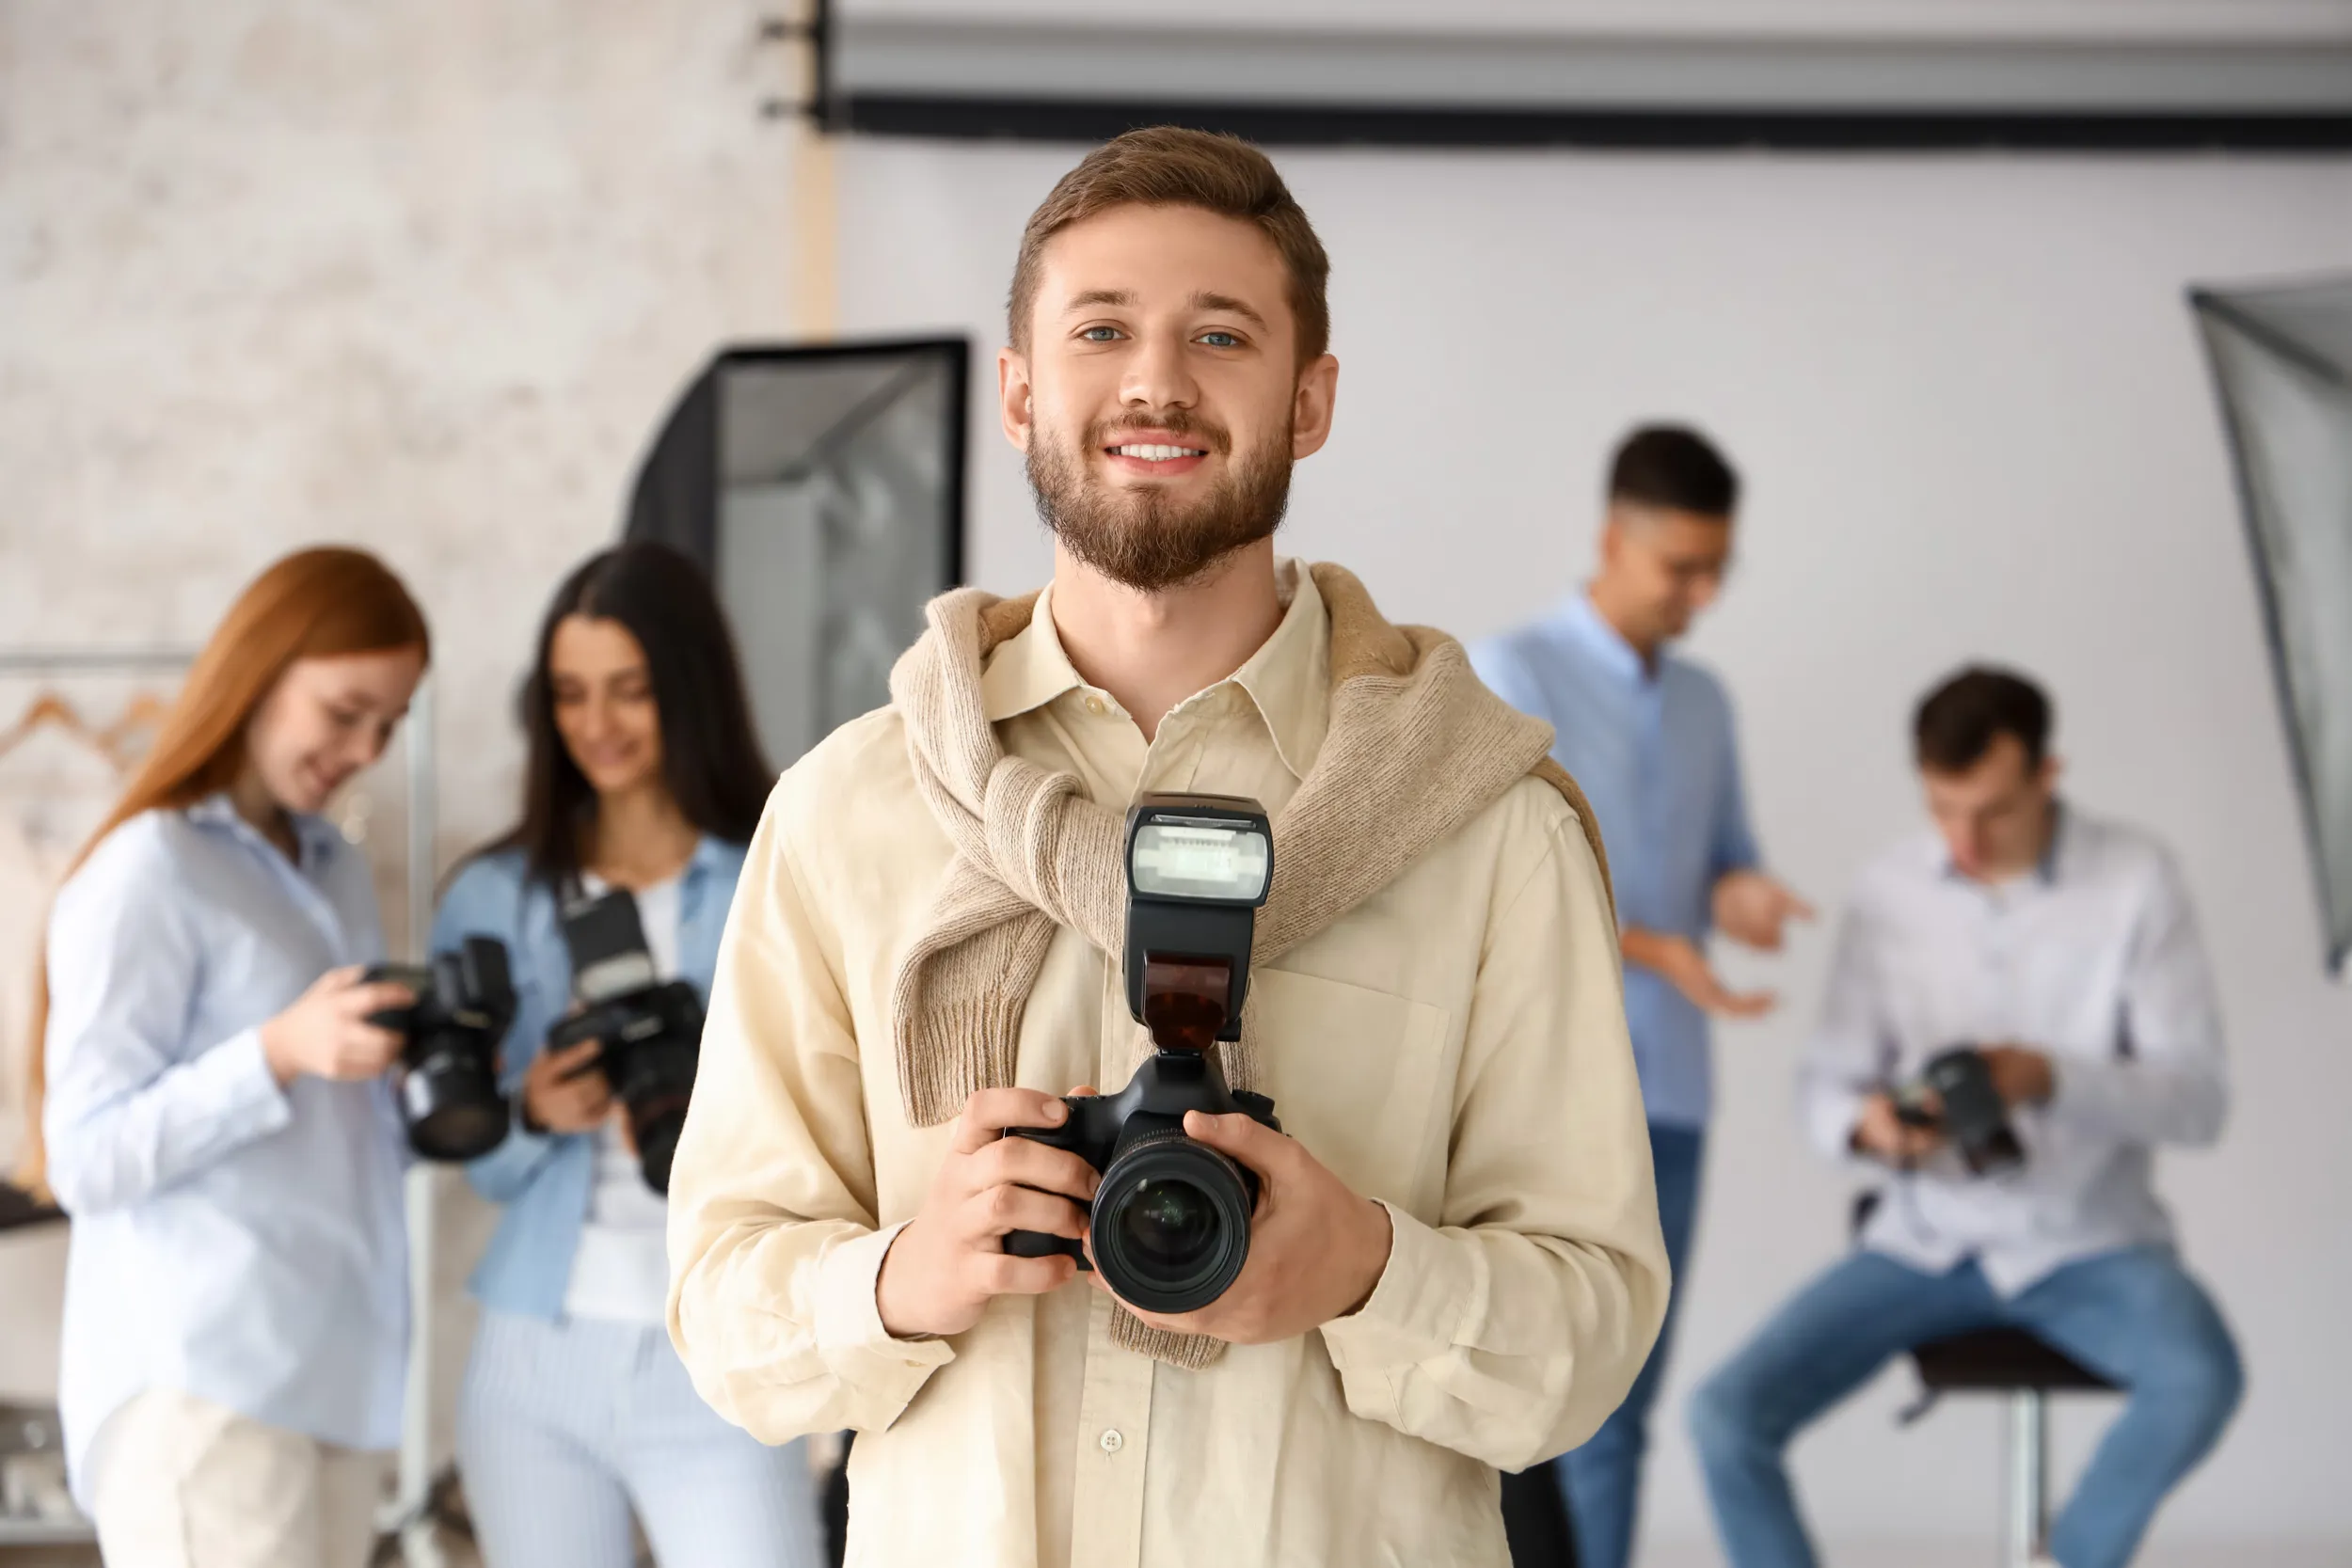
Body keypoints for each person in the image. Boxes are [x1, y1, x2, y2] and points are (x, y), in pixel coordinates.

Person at [664, 126, 1671, 1567]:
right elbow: (718, 1304)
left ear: (1310, 399)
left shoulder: (1486, 823)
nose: (1156, 381)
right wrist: (903, 1273)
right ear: (1020, 389)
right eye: (1101, 330)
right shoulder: (848, 811)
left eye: (1220, 334)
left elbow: (1592, 1335)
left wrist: (1369, 1269)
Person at [1689, 667, 2243, 1568]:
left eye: (1993, 811)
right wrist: (1870, 1125)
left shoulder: (2138, 880)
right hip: (1925, 1238)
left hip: (2090, 1240)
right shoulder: (1888, 891)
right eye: (1943, 809)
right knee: (1724, 1416)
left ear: (2047, 776)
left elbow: (2198, 1101)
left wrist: (2048, 1076)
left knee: (2201, 1377)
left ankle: (2065, 1557)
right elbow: (1822, 1088)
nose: (1965, 840)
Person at [30, 546, 430, 1568]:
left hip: (334, 1379)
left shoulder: (334, 870)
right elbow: (83, 1157)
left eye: (388, 723)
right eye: (345, 711)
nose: (365, 749)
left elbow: (337, 1135)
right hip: (204, 1388)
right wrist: (277, 1051)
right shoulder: (150, 869)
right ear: (261, 669)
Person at [432, 541, 821, 1568]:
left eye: (629, 689)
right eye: (569, 694)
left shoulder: (780, 864)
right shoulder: (495, 895)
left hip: (728, 1342)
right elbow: (478, 1160)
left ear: (687, 690)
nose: (595, 723)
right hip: (536, 1355)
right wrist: (531, 1113)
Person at [1470, 424, 1812, 1568]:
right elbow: (1494, 888)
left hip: (1672, 1095)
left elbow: (1724, 855)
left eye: (1718, 569)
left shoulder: (1706, 700)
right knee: (1532, 1401)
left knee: (1624, 1404)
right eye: (1681, 568)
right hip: (1542, 1093)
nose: (1701, 595)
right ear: (1614, 538)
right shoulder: (1513, 673)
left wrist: (1741, 893)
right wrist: (1660, 950)